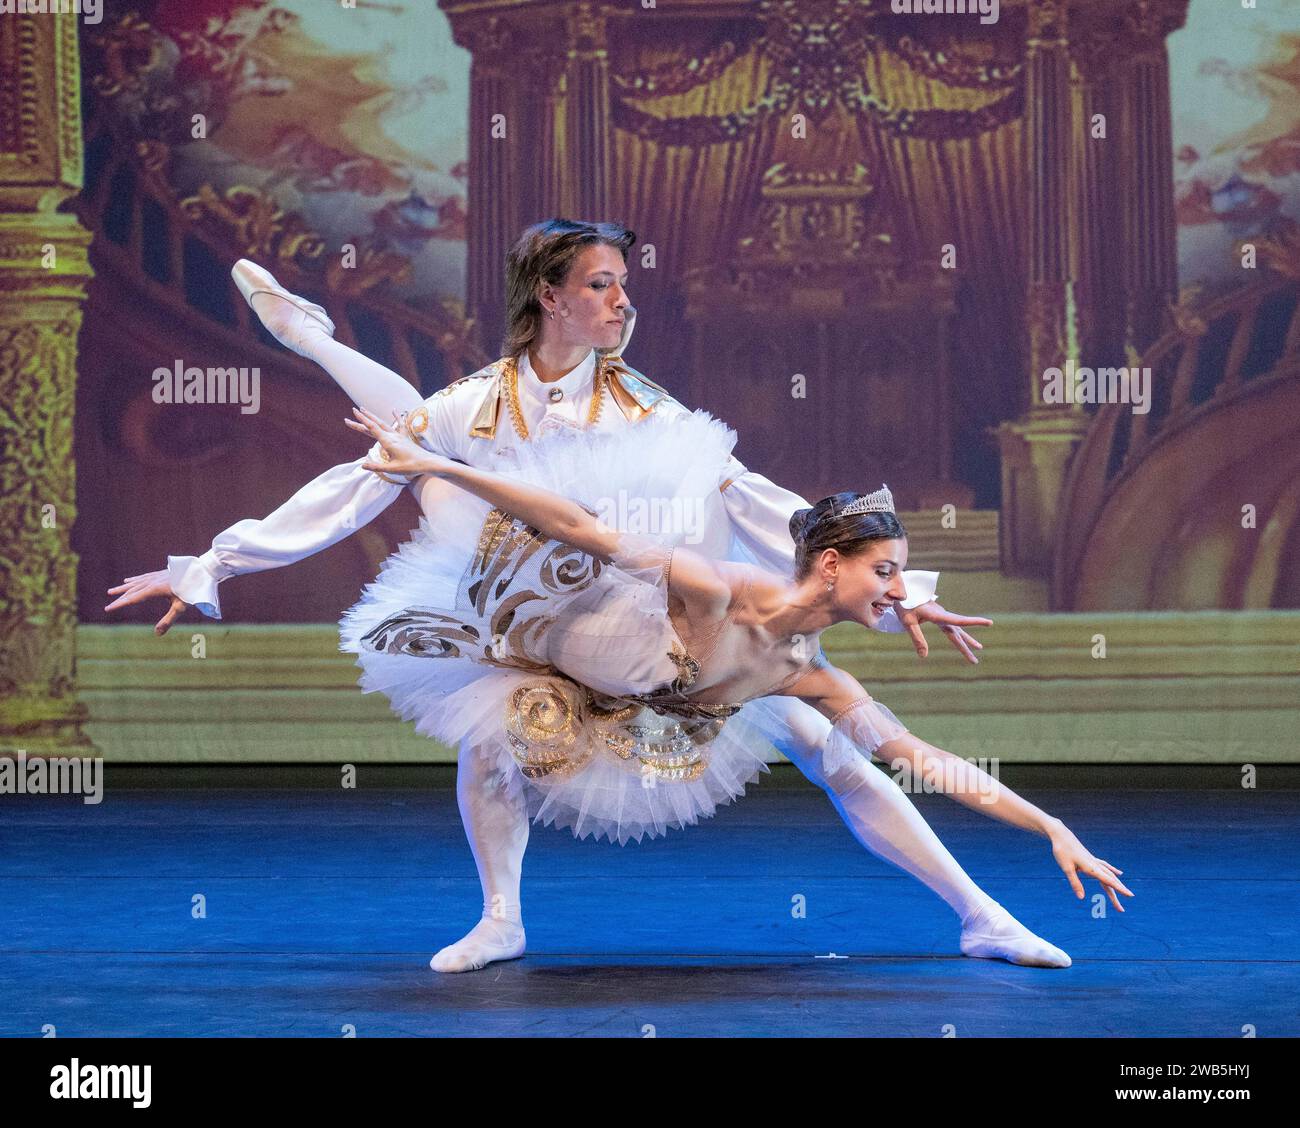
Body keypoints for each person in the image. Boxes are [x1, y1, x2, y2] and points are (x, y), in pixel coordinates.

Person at [106, 219, 1129, 974]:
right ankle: (501, 916)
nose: (621, 302)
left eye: (625, 286)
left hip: (643, 613)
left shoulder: (644, 403)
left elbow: (759, 500)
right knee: (480, 691)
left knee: (828, 742)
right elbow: (363, 481)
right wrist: (214, 563)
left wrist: (901, 590)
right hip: (539, 592)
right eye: (600, 285)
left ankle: (978, 912)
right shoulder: (479, 402)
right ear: (550, 295)